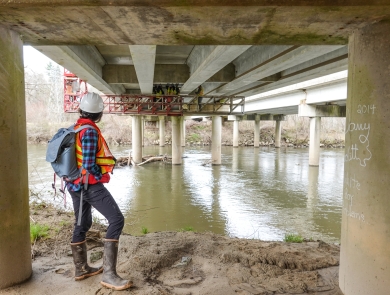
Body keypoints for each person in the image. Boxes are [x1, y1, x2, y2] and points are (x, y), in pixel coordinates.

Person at [67, 92, 132, 291]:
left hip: (74, 184)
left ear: (81, 110)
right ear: (99, 114)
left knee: (82, 222)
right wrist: (101, 173)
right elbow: (88, 164)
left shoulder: (76, 128)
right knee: (116, 220)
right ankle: (109, 275)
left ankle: (81, 269)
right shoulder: (90, 132)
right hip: (88, 184)